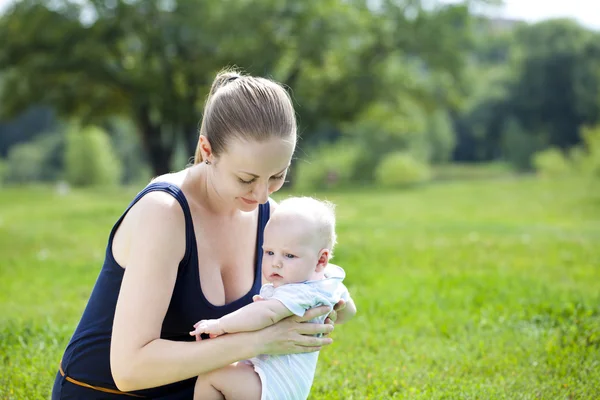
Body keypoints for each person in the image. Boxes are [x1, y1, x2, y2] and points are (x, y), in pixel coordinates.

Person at [51, 69, 357, 399]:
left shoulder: (271, 218)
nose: (262, 195)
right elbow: (128, 370)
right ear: (207, 150)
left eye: (277, 176)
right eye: (246, 179)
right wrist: (259, 340)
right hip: (105, 392)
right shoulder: (165, 212)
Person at [189, 196, 354, 400]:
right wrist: (337, 310)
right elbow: (349, 311)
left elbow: (263, 314)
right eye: (269, 252)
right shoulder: (328, 281)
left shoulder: (299, 291)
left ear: (321, 259)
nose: (276, 263)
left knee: (211, 377)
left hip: (274, 383)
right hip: (284, 381)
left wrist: (221, 324)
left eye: (289, 256)